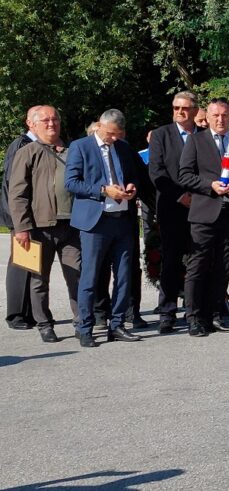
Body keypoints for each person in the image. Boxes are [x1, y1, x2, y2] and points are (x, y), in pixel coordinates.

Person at [178, 98, 229, 336]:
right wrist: (210, 185)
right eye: (215, 115)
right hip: (204, 213)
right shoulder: (196, 141)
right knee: (198, 266)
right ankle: (194, 317)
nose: (220, 120)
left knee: (223, 267)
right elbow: (184, 175)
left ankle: (215, 313)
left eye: (224, 115)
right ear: (207, 117)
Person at [64, 109, 146, 347]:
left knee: (124, 276)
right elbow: (71, 183)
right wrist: (103, 190)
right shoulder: (81, 146)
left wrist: (131, 187)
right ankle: (85, 327)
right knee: (90, 276)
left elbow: (135, 176)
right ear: (100, 125)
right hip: (95, 222)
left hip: (122, 220)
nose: (113, 138)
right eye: (110, 133)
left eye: (118, 134)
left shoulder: (123, 147)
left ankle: (117, 325)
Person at [8, 106, 81, 342]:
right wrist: (21, 228)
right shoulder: (27, 152)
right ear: (34, 124)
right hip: (38, 228)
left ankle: (82, 322)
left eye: (55, 119)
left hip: (72, 226)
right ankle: (44, 324)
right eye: (46, 120)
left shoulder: (73, 150)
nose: (51, 124)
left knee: (77, 276)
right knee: (38, 280)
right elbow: (17, 194)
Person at [148, 91, 199, 333]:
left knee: (196, 261)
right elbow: (157, 172)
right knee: (170, 261)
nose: (180, 112)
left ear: (195, 111)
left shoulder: (203, 135)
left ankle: (194, 312)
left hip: (200, 207)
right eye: (176, 107)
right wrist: (180, 196)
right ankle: (167, 312)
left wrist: (198, 197)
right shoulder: (161, 135)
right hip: (171, 207)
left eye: (185, 108)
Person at [3, 106, 40, 330]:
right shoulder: (21, 145)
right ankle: (16, 314)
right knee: (21, 263)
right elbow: (13, 184)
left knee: (31, 263)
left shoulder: (41, 145)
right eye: (42, 120)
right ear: (30, 123)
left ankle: (29, 312)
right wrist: (18, 220)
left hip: (35, 214)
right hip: (21, 215)